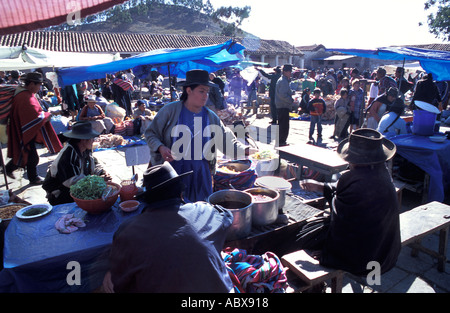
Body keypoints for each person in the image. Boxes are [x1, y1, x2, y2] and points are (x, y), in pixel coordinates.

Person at [103, 161, 234, 293]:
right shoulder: (204, 211)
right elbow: (227, 215)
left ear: (147, 200)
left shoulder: (127, 231)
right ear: (181, 193)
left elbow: (119, 277)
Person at [300, 128, 401, 276]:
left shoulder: (358, 181)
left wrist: (328, 255)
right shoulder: (380, 171)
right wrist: (319, 187)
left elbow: (344, 227)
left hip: (369, 257)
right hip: (386, 249)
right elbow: (342, 194)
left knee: (304, 236)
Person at [144, 69, 253, 202]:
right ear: (189, 90)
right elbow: (150, 133)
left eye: (207, 92)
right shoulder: (170, 111)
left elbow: (227, 141)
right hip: (174, 173)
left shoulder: (210, 116)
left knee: (201, 211)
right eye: (201, 91)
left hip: (201, 174)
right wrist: (160, 147)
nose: (205, 96)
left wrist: (246, 150)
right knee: (176, 212)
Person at [5, 72, 62, 185]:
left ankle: (9, 168)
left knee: (24, 152)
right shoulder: (25, 97)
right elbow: (34, 116)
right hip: (23, 131)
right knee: (31, 156)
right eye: (39, 85)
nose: (40, 87)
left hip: (22, 129)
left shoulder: (26, 94)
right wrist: (46, 115)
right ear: (31, 84)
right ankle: (33, 177)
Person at [42, 122, 111, 205]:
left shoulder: (85, 149)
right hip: (61, 194)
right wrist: (98, 180)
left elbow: (94, 163)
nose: (93, 140)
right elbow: (73, 182)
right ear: (83, 139)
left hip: (74, 188)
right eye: (92, 138)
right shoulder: (68, 155)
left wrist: (102, 173)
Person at [275, 64, 294, 146]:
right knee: (283, 125)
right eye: (289, 71)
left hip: (282, 105)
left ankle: (281, 141)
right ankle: (281, 141)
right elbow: (282, 95)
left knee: (282, 124)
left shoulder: (284, 80)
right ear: (285, 72)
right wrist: (291, 100)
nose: (291, 73)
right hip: (283, 105)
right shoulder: (283, 81)